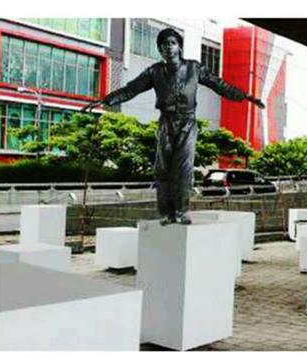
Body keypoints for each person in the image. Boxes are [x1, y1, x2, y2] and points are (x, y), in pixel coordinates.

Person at [81, 28, 264, 225]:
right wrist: (105, 100)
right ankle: (166, 213)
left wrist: (244, 96)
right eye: (164, 44)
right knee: (163, 169)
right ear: (160, 50)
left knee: (183, 168)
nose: (168, 47)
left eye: (172, 43)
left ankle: (181, 211)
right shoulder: (155, 71)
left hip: (187, 123)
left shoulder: (194, 68)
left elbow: (218, 84)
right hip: (166, 122)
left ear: (179, 47)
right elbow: (131, 89)